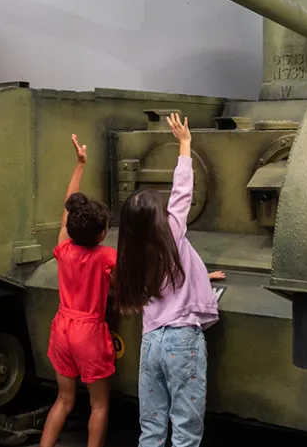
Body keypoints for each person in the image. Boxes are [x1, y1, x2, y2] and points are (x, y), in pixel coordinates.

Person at [115, 113, 224, 447]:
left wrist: (199, 274)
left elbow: (162, 278)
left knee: (151, 427)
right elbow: (182, 193)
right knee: (185, 430)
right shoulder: (172, 234)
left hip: (151, 344)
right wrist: (185, 144)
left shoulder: (130, 256)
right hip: (182, 342)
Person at [40, 134, 117, 447]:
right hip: (89, 333)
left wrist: (80, 165)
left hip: (62, 329)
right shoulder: (105, 257)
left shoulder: (63, 248)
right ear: (100, 235)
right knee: (99, 404)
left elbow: (67, 209)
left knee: (64, 400)